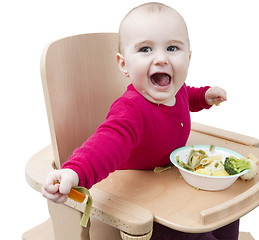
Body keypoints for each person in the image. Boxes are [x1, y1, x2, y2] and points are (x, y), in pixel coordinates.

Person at [42, 2, 239, 239]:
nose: (161, 59)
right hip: (138, 198)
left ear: (188, 57)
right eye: (146, 49)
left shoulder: (176, 90)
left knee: (229, 211)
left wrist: (204, 96)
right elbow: (106, 143)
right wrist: (75, 172)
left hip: (167, 180)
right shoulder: (131, 110)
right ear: (124, 65)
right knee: (193, 232)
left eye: (172, 48)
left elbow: (187, 96)